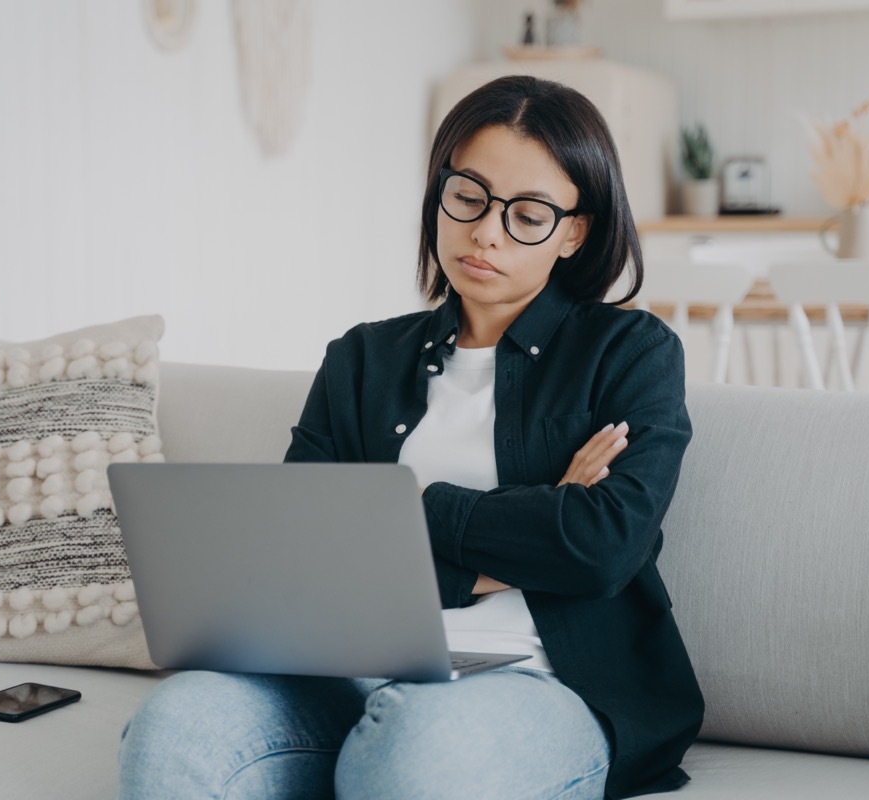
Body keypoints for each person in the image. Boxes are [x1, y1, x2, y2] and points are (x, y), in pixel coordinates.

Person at [118, 75, 703, 800]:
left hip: (541, 683)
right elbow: (302, 545)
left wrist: (406, 508)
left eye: (528, 214)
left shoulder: (630, 352)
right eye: (468, 196)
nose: (487, 231)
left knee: (412, 745)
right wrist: (535, 522)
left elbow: (604, 545)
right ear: (439, 194)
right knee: (175, 726)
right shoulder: (362, 358)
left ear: (575, 231)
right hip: (344, 671)